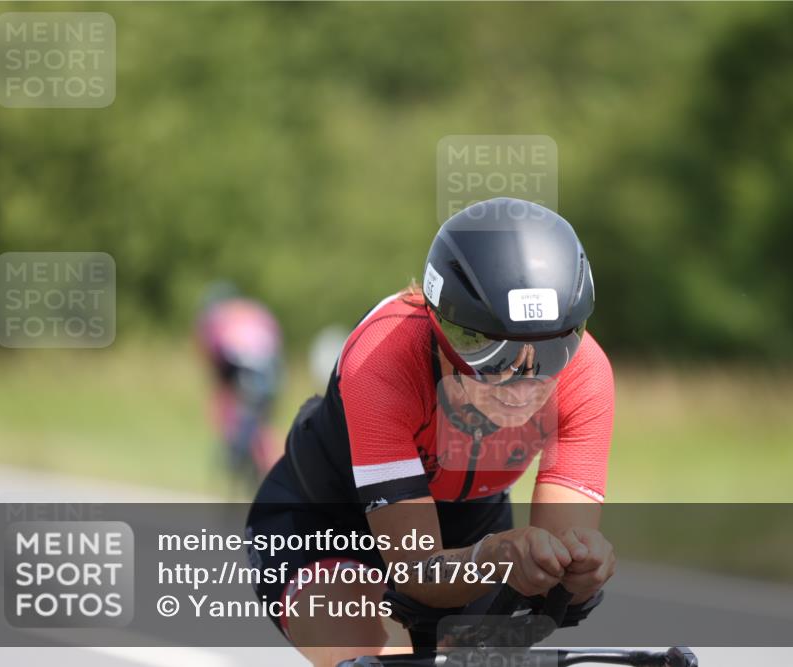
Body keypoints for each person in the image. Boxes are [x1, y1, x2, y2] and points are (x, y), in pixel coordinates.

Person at [247, 198, 615, 667]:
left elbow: (557, 576)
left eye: (552, 349)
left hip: (472, 526)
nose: (522, 381)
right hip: (325, 523)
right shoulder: (383, 359)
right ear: (442, 325)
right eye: (490, 351)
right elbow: (417, 573)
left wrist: (580, 571)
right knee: (368, 656)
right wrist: (500, 556)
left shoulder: (586, 376)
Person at [196, 282, 283, 480]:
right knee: (263, 424)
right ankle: (272, 467)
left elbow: (216, 361)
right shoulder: (257, 311)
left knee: (238, 417)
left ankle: (237, 455)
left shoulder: (216, 318)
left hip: (243, 371)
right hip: (271, 371)